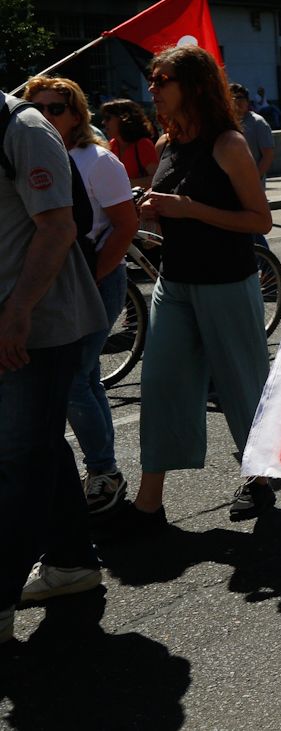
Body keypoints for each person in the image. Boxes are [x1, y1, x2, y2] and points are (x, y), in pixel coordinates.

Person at [118, 46, 276, 537]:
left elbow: (260, 220)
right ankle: (149, 502)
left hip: (227, 283)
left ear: (193, 84)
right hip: (176, 282)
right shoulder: (168, 144)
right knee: (162, 385)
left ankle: (259, 475)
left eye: (161, 79)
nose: (153, 89)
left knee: (241, 387)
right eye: (151, 80)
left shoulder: (228, 143)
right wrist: (154, 210)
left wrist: (188, 209)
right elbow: (175, 206)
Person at [0, 89, 109, 642]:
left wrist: (17, 311)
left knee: (17, 459)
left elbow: (58, 227)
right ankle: (71, 563)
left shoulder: (24, 128)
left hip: (34, 327)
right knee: (36, 445)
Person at [22, 77, 138, 515]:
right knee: (83, 378)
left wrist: (91, 278)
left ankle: (104, 471)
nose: (46, 116)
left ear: (76, 115)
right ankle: (100, 470)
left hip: (93, 280)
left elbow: (124, 227)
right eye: (37, 107)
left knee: (74, 377)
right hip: (51, 282)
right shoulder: (27, 152)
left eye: (56, 108)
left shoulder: (98, 161)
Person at [100, 99, 159, 188]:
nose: (103, 122)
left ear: (124, 118)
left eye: (108, 118)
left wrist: (125, 183)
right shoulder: (113, 144)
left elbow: (156, 180)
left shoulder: (143, 145)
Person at [230, 83, 276, 181]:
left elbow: (268, 155)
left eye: (239, 97)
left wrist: (253, 180)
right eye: (232, 98)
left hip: (251, 185)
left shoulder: (258, 122)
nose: (235, 101)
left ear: (247, 101)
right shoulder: (227, 124)